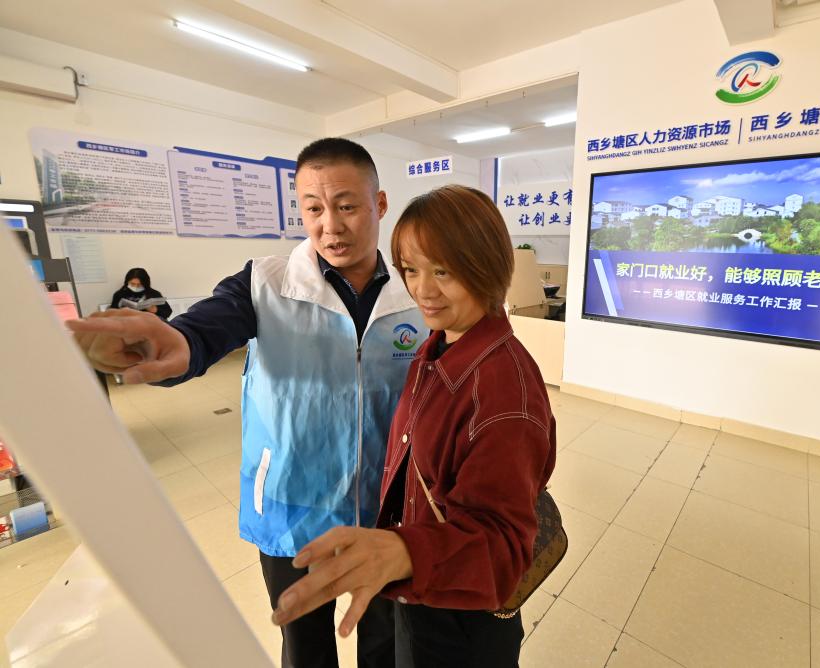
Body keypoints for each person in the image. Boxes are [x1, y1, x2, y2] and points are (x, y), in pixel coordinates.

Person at [68, 138, 424, 668]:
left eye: (347, 206)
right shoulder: (265, 284)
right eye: (313, 209)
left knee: (385, 644)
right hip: (290, 504)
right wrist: (177, 343)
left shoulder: (415, 293)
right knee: (305, 648)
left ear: (380, 204)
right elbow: (206, 328)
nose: (330, 225)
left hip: (386, 509)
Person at [270, 185, 558, 668]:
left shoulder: (503, 393)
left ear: (487, 266)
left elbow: (504, 548)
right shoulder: (441, 343)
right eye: (410, 269)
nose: (423, 289)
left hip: (462, 619)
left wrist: (403, 552)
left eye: (443, 271)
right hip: (426, 591)